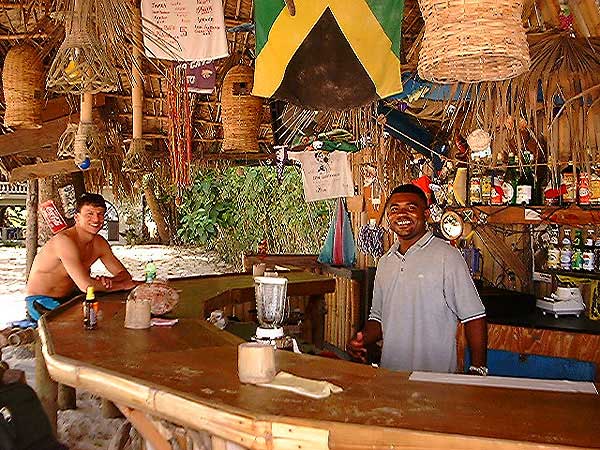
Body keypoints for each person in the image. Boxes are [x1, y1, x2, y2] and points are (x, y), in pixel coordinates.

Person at [347, 184, 488, 375]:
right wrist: (361, 339)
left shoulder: (447, 256)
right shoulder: (385, 262)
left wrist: (478, 369)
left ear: (426, 214)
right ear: (388, 217)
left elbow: (474, 316)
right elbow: (378, 318)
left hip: (436, 382)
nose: (401, 214)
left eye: (411, 208)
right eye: (394, 209)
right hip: (391, 377)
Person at [25, 193, 138, 321]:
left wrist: (110, 281)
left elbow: (124, 275)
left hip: (72, 296)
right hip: (41, 300)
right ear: (77, 217)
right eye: (89, 214)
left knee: (111, 313)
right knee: (86, 322)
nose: (96, 219)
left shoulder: (99, 243)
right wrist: (120, 285)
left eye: (100, 214)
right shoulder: (64, 241)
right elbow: (86, 285)